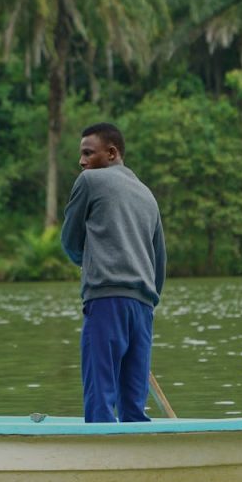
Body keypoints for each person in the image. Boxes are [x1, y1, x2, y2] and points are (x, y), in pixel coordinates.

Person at [60, 122, 166, 423]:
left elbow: (70, 240)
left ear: (111, 152)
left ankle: (101, 460)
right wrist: (145, 300)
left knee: (100, 399)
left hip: (106, 300)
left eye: (87, 153)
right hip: (144, 307)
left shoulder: (90, 181)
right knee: (133, 406)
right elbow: (160, 263)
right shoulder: (148, 195)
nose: (81, 162)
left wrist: (90, 260)